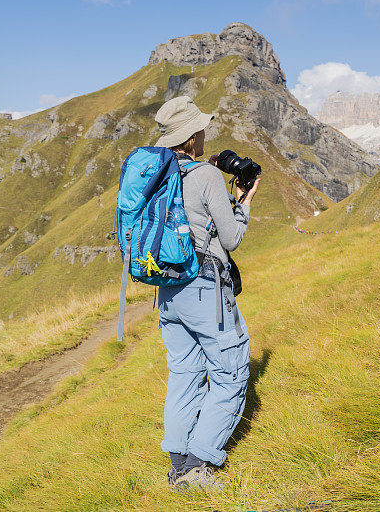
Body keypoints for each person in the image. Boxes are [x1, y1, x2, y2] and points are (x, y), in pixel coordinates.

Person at [153, 96, 260, 490]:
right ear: (192, 135)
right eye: (200, 128)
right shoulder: (206, 177)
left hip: (166, 290)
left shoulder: (157, 174)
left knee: (184, 373)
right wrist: (243, 202)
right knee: (231, 374)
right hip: (203, 289)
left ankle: (178, 464)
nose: (204, 132)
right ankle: (197, 468)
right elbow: (231, 237)